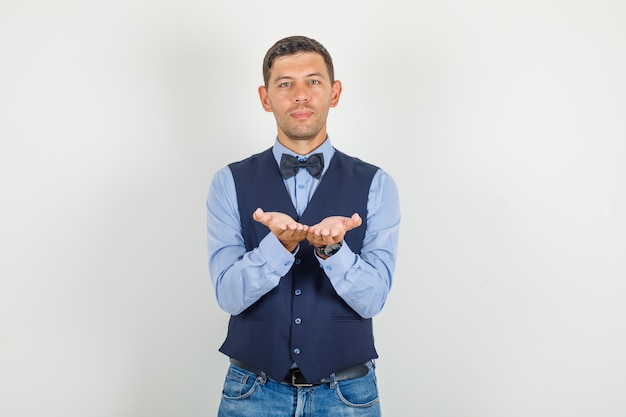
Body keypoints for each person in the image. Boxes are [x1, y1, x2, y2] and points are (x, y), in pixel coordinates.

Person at [206, 35, 401, 417]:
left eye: (313, 81)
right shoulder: (227, 182)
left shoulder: (378, 184)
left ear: (334, 92)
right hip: (252, 392)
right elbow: (228, 296)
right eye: (285, 84)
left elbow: (373, 299)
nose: (300, 95)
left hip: (348, 394)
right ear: (265, 98)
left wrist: (332, 250)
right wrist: (277, 247)